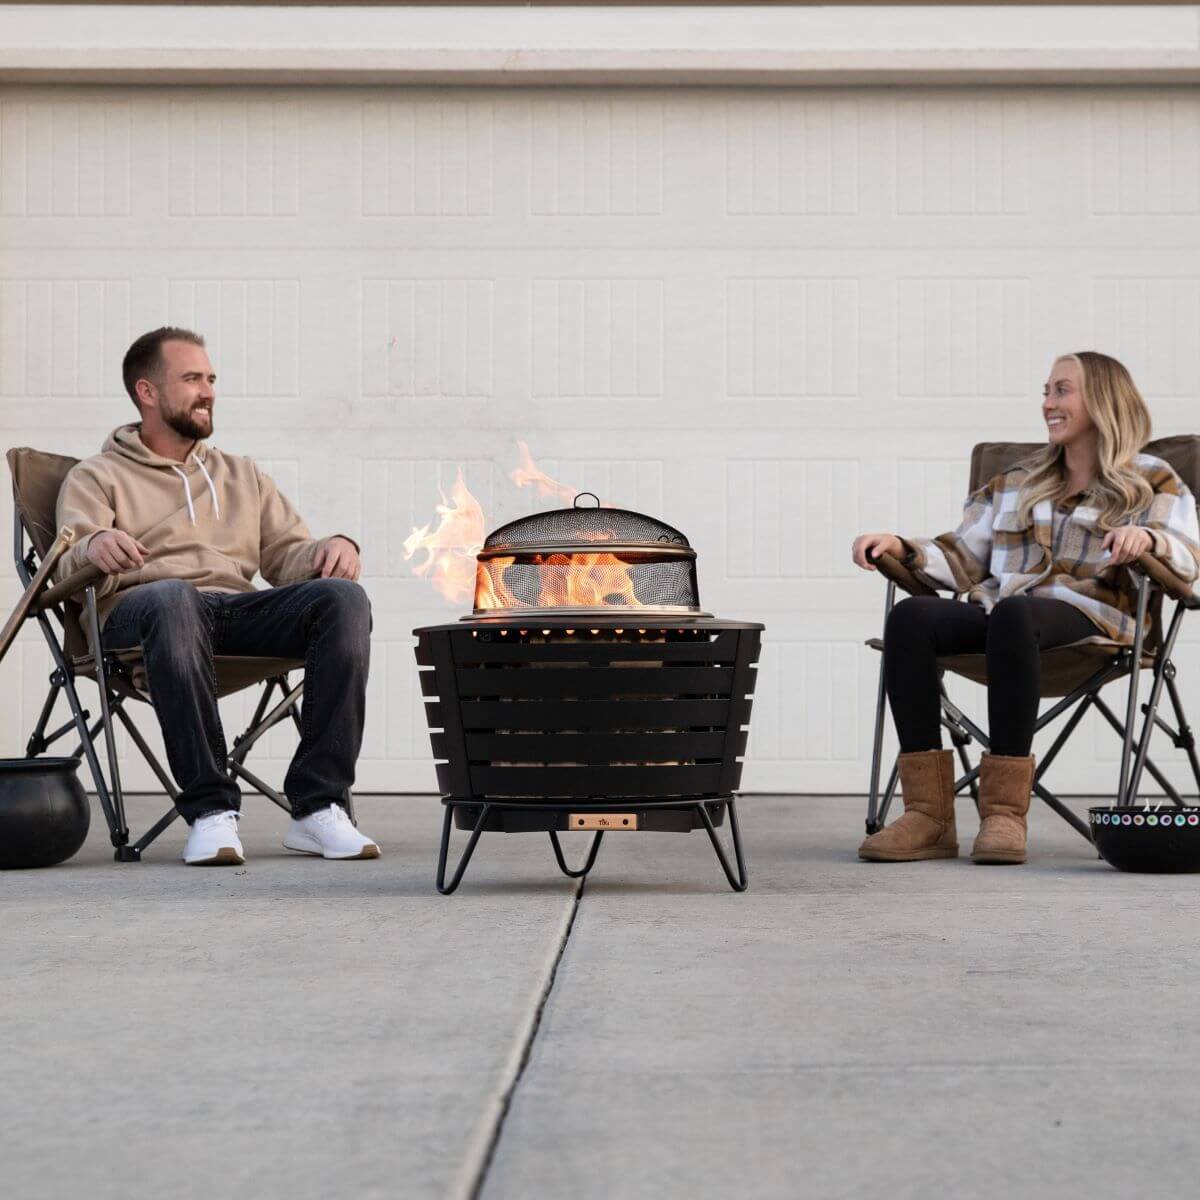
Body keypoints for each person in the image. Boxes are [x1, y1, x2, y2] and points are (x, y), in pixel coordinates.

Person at [851, 351, 1200, 865]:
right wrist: (902, 547)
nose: (1048, 404)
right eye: (1046, 392)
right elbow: (961, 557)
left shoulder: (1152, 479)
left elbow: (1189, 562)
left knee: (1015, 612)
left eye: (1061, 391)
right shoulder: (1017, 481)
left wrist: (1145, 538)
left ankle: (1004, 816)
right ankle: (929, 817)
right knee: (911, 618)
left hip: (1096, 624)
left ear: (1103, 400)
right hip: (1008, 623)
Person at [55, 326, 380, 866]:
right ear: (147, 392)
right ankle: (209, 810)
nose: (207, 390)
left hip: (232, 612)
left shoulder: (240, 474)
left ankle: (318, 806)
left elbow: (288, 554)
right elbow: (63, 565)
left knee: (342, 599)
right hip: (139, 615)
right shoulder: (97, 475)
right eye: (190, 379)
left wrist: (333, 547)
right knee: (173, 597)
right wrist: (95, 545)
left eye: (210, 378)